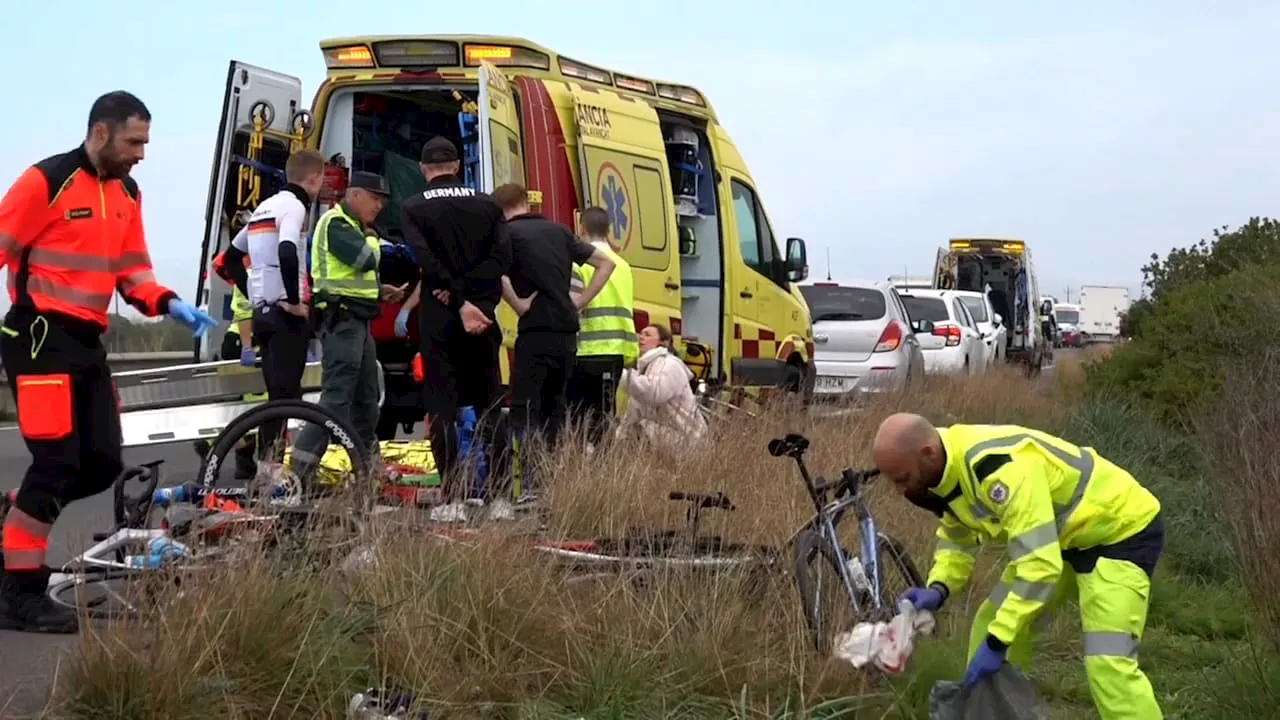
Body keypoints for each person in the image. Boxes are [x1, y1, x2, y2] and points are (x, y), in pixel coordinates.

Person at [0, 91, 216, 633]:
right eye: (134, 141)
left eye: (145, 142)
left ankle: (14, 515)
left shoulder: (128, 192)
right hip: (39, 337)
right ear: (100, 133)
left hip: (87, 344)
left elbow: (132, 269)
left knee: (99, 463)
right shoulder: (45, 181)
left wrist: (167, 303)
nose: (141, 152)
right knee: (55, 465)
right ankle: (18, 592)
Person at [875, 413, 1164, 719]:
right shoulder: (943, 471)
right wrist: (939, 586)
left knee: (1109, 662)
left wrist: (999, 642)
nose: (900, 491)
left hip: (1119, 531)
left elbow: (1039, 567)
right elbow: (957, 538)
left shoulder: (998, 468)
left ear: (927, 454)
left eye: (903, 479)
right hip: (1061, 540)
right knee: (990, 623)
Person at [399, 136, 509, 522]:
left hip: (440, 317)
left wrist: (457, 299)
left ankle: (453, 500)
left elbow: (425, 260)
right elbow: (501, 257)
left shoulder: (412, 208)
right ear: (459, 165)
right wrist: (477, 304)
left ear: (422, 168)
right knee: (490, 405)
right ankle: (498, 499)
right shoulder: (489, 205)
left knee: (443, 408)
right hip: (482, 317)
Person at [493, 184, 616, 504]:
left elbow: (495, 274)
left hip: (535, 332)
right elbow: (607, 264)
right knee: (554, 410)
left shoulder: (506, 236)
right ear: (525, 202)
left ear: (500, 209)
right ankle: (548, 486)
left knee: (524, 411)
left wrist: (518, 304)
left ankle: (523, 487)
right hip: (566, 334)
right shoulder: (560, 232)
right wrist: (580, 301)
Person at [291, 172, 403, 483]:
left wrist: (381, 291)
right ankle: (300, 473)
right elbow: (365, 258)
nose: (379, 206)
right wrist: (372, 236)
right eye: (375, 198)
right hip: (342, 322)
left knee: (367, 399)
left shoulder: (353, 226)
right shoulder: (337, 223)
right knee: (336, 398)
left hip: (360, 321)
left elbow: (354, 277)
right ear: (355, 196)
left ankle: (367, 467)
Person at [222, 149, 327, 459]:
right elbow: (286, 251)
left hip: (262, 316)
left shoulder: (263, 208)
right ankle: (271, 469)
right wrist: (294, 302)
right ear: (313, 179)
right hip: (285, 317)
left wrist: (255, 293)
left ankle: (268, 466)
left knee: (276, 396)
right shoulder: (294, 208)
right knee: (285, 396)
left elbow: (230, 260)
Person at [566, 206, 636, 446]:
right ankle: (604, 473)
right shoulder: (624, 266)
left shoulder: (580, 263)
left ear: (581, 228)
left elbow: (572, 304)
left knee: (578, 422)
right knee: (605, 417)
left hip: (586, 352)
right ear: (608, 230)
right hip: (617, 352)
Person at [616, 324, 707, 451]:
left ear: (663, 343)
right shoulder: (647, 366)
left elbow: (655, 393)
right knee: (633, 431)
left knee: (639, 431)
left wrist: (622, 375)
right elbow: (636, 410)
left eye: (647, 335)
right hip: (670, 436)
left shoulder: (668, 364)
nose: (641, 337)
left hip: (687, 441)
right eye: (641, 333)